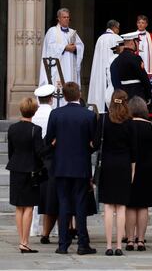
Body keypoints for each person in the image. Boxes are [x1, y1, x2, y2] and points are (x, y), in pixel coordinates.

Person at [45, 82, 97, 255]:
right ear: (79, 94)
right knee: (80, 204)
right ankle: (83, 244)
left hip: (61, 165)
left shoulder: (56, 114)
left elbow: (48, 140)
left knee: (63, 203)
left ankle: (63, 244)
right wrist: (86, 150)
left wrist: (56, 147)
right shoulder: (88, 115)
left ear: (64, 96)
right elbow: (94, 143)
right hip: (81, 165)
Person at [93, 90, 135, 256]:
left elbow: (95, 143)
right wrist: (132, 170)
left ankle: (109, 245)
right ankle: (119, 245)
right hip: (123, 165)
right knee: (122, 207)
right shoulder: (129, 122)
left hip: (108, 165)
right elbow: (134, 150)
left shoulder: (103, 119)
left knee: (109, 207)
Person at [7, 97, 42, 253]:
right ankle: (24, 241)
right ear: (34, 111)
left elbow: (10, 151)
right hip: (30, 170)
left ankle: (22, 240)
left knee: (18, 207)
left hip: (15, 168)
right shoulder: (36, 129)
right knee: (28, 206)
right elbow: (40, 152)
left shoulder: (12, 128)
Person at [125, 96, 152, 252]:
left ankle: (130, 239)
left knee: (130, 206)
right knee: (143, 206)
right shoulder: (151, 127)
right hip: (147, 168)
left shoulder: (127, 125)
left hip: (130, 168)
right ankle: (141, 239)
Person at [39, 8, 84, 107]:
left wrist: (76, 48)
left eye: (68, 17)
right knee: (58, 91)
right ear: (58, 18)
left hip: (70, 69)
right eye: (64, 17)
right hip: (59, 69)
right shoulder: (53, 31)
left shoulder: (72, 32)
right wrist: (65, 47)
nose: (66, 19)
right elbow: (49, 47)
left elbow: (81, 46)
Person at [32, 84, 58, 244]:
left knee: (34, 197)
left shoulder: (34, 114)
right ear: (51, 99)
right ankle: (51, 230)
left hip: (34, 156)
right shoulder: (53, 114)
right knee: (50, 196)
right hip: (48, 155)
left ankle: (34, 227)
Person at [88, 20, 123, 114]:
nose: (118, 30)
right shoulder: (117, 38)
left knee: (100, 88)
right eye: (118, 28)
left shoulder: (100, 38)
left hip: (99, 71)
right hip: (111, 69)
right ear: (115, 28)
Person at [110, 32, 152, 103]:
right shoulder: (136, 58)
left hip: (123, 98)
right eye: (137, 42)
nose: (138, 44)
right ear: (132, 42)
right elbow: (144, 79)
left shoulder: (115, 61)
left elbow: (115, 82)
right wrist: (148, 95)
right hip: (137, 97)